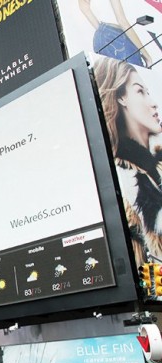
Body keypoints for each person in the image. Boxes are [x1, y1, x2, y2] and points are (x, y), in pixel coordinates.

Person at [94, 57, 162, 267]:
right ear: (121, 98)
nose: (153, 103)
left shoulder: (155, 162)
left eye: (148, 92)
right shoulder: (120, 177)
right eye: (140, 91)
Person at [79, 0, 152, 68]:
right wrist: (146, 54)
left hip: (99, 39)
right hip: (119, 38)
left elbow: (84, 9)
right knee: (135, 75)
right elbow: (122, 22)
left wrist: (102, 30)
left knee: (114, 78)